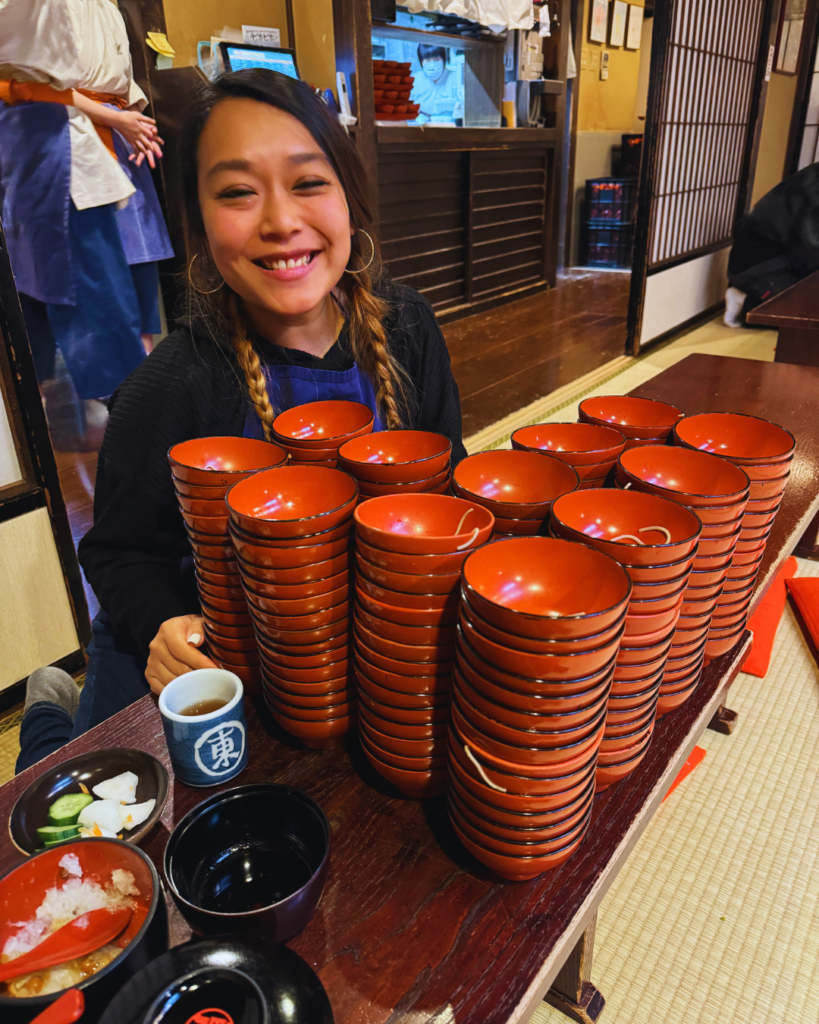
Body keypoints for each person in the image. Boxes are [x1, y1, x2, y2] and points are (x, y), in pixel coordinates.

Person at [16, 69, 466, 773]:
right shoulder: (171, 385)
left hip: (344, 652)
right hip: (202, 654)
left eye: (309, 182)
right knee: (87, 804)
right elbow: (116, 552)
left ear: (350, 197)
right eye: (236, 192)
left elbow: (451, 470)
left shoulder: (407, 327)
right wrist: (163, 623)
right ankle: (48, 715)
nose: (281, 220)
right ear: (197, 224)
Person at [0, 0, 174, 411]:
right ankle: (93, 392)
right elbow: (28, 80)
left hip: (114, 131)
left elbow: (121, 79)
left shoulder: (108, 7)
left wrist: (131, 121)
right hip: (59, 136)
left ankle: (137, 378)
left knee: (136, 260)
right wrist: (115, 120)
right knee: (76, 276)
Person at [724, 161, 819, 328]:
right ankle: (744, 302)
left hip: (793, 258)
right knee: (802, 321)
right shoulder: (814, 186)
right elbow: (813, 241)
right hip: (759, 260)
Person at [412, 44, 464, 124]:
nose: (432, 65)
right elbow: (408, 110)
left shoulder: (456, 78)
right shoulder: (414, 81)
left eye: (436, 59)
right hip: (424, 128)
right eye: (428, 61)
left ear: (444, 59)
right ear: (421, 62)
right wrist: (422, 120)